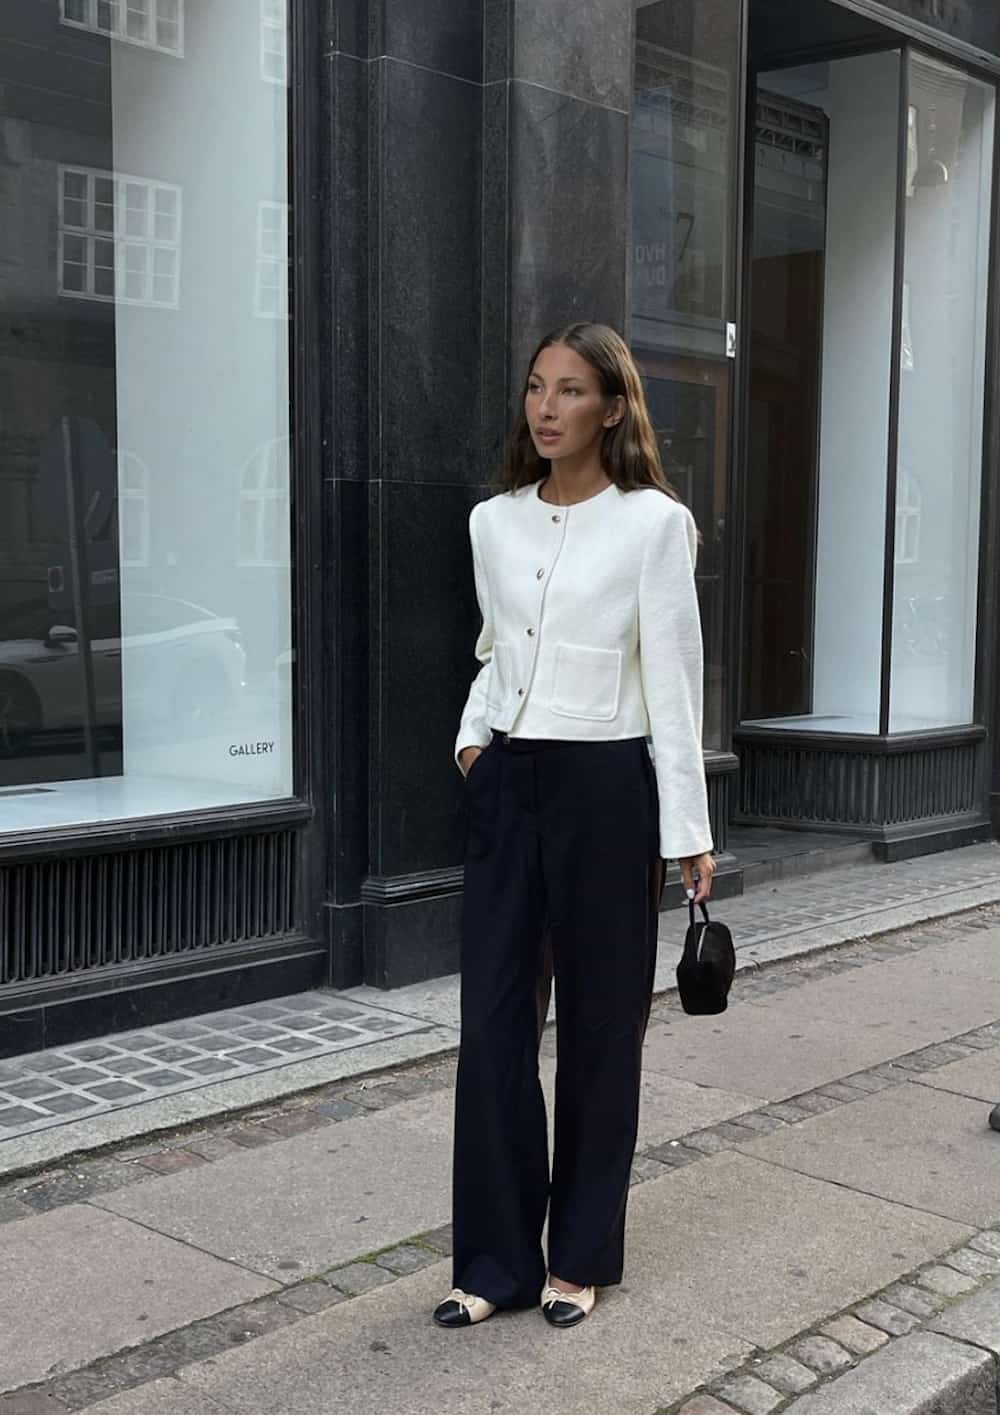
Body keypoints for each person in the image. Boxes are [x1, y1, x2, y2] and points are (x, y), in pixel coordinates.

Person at [433, 322, 715, 1332]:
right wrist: (474, 745)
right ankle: (495, 1261)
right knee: (493, 1032)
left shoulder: (651, 525)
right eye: (535, 387)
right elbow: (491, 650)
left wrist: (687, 829)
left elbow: (673, 686)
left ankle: (580, 1253)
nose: (545, 407)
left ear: (611, 406)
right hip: (508, 783)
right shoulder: (491, 522)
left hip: (608, 791)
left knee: (601, 1032)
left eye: (569, 390)